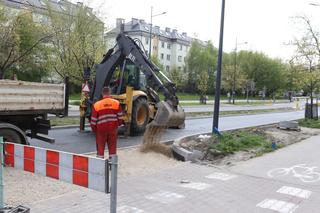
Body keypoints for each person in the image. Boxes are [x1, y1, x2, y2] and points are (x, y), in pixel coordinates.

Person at [90, 87, 124, 158]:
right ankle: (112, 164)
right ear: (110, 93)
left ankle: (100, 163)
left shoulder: (97, 105)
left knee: (100, 147)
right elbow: (120, 117)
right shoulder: (116, 103)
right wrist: (118, 124)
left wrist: (94, 130)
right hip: (113, 129)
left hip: (101, 130)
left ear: (102, 94)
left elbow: (93, 121)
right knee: (112, 147)